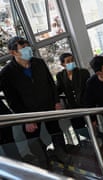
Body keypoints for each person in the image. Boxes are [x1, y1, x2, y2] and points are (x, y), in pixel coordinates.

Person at [0, 36, 71, 167]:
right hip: (29, 113)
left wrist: (56, 101)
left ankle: (62, 154)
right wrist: (25, 118)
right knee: (34, 140)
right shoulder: (7, 73)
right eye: (23, 48)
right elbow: (12, 100)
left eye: (28, 47)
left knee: (56, 131)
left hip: (49, 106)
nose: (28, 50)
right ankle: (44, 162)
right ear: (13, 52)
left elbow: (51, 83)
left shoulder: (39, 63)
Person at [56, 53, 90, 141]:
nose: (71, 62)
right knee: (78, 129)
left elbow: (88, 88)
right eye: (68, 61)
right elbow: (58, 89)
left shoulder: (83, 72)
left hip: (85, 105)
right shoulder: (60, 75)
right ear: (63, 64)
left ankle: (99, 139)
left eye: (72, 60)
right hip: (73, 107)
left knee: (92, 124)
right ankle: (97, 138)